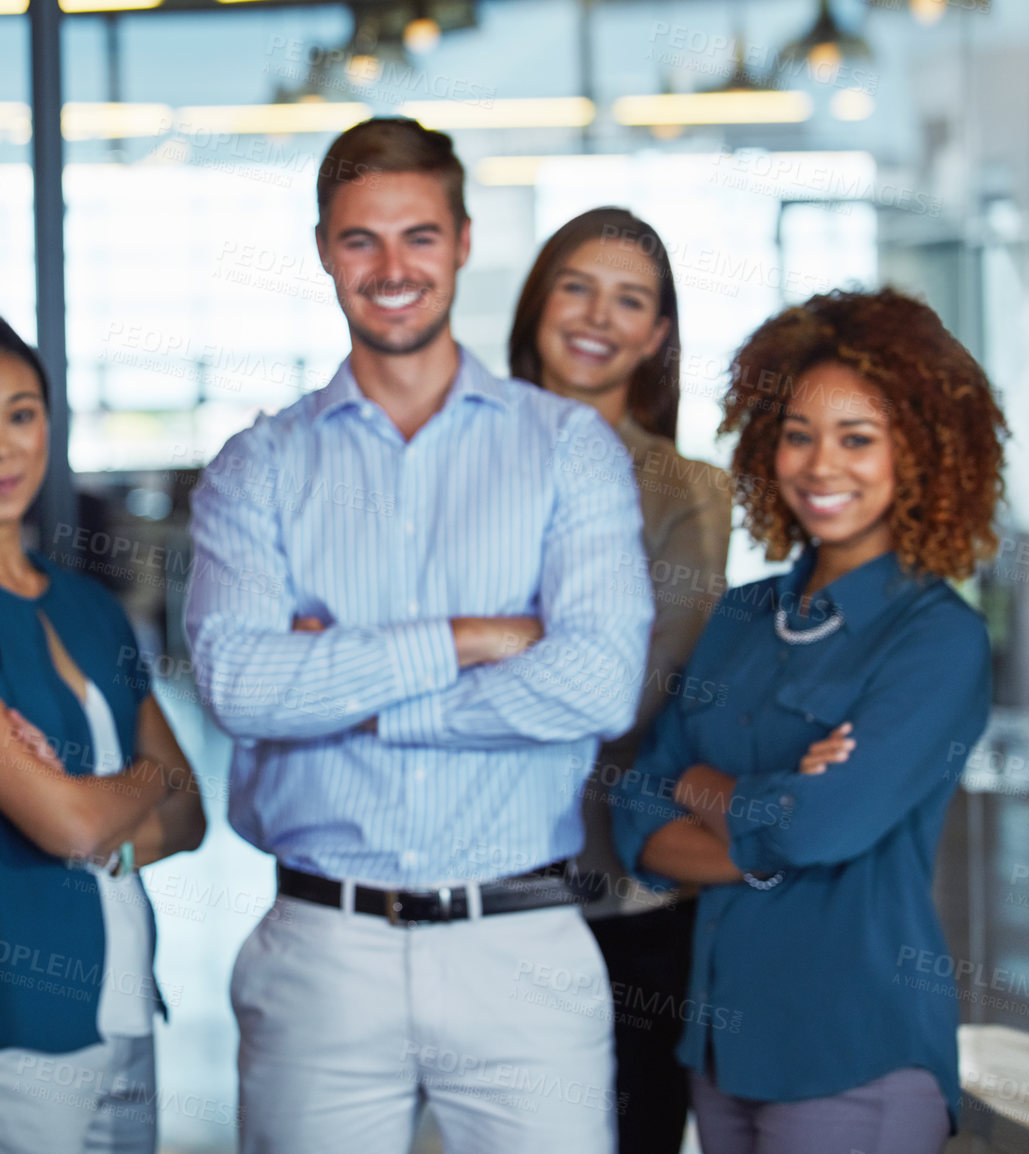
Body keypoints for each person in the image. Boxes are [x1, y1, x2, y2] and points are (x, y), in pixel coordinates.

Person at [185, 117, 654, 1154]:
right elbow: (240, 684)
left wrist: (346, 677)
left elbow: (597, 682)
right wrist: (475, 635)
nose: (392, 268)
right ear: (323, 248)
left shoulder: (568, 449)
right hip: (322, 948)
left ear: (464, 239)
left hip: (522, 947)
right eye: (361, 239)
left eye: (419, 236)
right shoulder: (258, 465)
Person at [613, 288, 1006, 1154]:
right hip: (717, 1047)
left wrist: (703, 787)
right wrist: (754, 801)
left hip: (851, 1052)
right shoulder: (743, 614)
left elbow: (820, 826)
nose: (820, 465)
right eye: (798, 434)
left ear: (921, 452)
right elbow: (636, 812)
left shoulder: (935, 639)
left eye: (856, 438)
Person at [0, 308, 207, 1153]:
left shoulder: (86, 604)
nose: (1, 448)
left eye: (21, 415)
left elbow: (192, 813)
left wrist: (111, 811)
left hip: (126, 997)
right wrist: (142, 781)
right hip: (8, 1017)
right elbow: (70, 823)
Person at [507, 206, 732, 1153]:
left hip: (624, 892)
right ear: (536, 305)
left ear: (657, 334)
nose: (598, 316)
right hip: (472, 878)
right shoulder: (448, 454)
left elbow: (625, 691)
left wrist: (455, 651)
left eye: (629, 299)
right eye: (576, 285)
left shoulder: (688, 492)